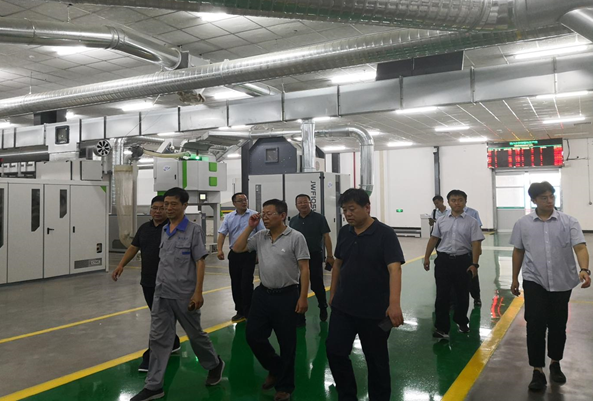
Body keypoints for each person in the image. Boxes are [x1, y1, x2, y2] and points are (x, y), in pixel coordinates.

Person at [131, 187, 224, 401]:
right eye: (166, 204)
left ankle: (214, 364)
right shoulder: (165, 229)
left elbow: (200, 262)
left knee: (195, 335)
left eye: (173, 204)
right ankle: (154, 386)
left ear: (184, 206)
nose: (169, 208)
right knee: (158, 338)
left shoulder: (193, 230)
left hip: (184, 294)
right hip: (162, 292)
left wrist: (198, 293)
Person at [510, 181, 591, 391]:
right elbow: (518, 251)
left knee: (558, 325)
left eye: (551, 196)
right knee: (535, 324)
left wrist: (584, 269)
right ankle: (537, 370)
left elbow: (580, 247)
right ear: (534, 200)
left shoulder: (569, 221)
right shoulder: (523, 223)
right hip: (534, 280)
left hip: (562, 280)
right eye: (544, 198)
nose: (549, 201)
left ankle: (555, 363)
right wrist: (514, 278)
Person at [326, 188, 405, 401]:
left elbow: (395, 269)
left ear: (367, 207)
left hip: (375, 311)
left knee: (376, 361)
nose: (347, 214)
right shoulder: (345, 232)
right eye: (345, 210)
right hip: (343, 307)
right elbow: (338, 264)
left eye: (352, 209)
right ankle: (347, 395)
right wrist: (333, 293)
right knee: (335, 351)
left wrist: (394, 304)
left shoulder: (385, 234)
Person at [233, 199, 310, 401]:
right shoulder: (260, 236)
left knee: (287, 343)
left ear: (282, 215)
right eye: (263, 214)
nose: (264, 217)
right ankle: (276, 368)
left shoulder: (296, 237)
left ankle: (285, 387)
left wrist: (303, 297)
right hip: (263, 294)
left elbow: (304, 268)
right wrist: (250, 227)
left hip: (287, 295)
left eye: (269, 214)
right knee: (253, 335)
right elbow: (238, 248)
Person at [111, 195, 180, 372]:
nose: (157, 211)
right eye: (154, 208)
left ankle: (152, 357)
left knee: (159, 319)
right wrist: (121, 265)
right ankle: (173, 342)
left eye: (161, 208)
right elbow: (134, 247)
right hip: (148, 281)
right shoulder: (144, 228)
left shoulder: (172, 229)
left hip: (168, 281)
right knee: (158, 316)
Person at [424, 189, 484, 339]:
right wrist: (426, 257)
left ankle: (462, 321)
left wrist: (474, 264)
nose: (457, 203)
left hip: (463, 261)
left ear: (465, 202)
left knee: (462, 294)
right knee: (442, 295)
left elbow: (476, 243)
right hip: (443, 261)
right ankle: (441, 328)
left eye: (460, 200)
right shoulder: (441, 221)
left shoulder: (472, 222)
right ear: (449, 202)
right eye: (454, 200)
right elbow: (433, 239)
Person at [217, 192, 264, 322]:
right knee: (235, 283)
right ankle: (240, 310)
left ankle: (249, 311)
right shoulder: (229, 217)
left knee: (246, 283)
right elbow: (222, 233)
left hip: (249, 253)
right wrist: (219, 249)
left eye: (245, 200)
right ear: (234, 203)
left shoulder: (254, 216)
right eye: (240, 200)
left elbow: (261, 235)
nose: (244, 202)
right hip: (234, 254)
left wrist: (259, 254)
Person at [289, 194, 334, 324]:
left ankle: (322, 306)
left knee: (317, 283)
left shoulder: (319, 218)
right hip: (297, 257)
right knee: (298, 285)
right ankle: (300, 314)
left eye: (305, 202)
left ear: (310, 203)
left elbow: (326, 237)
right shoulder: (293, 221)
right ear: (296, 205)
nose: (303, 204)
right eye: (300, 202)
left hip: (314, 256)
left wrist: (330, 255)